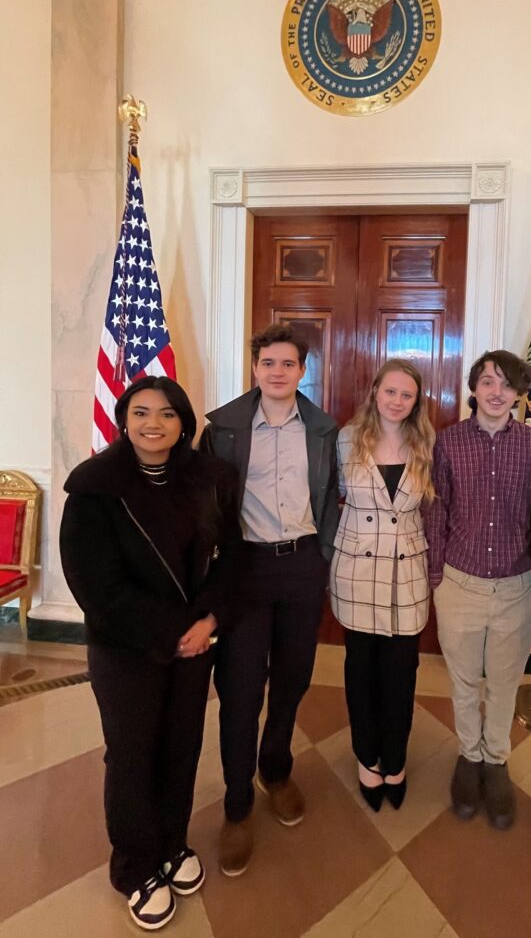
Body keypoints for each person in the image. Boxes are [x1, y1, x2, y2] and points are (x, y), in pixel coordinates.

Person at [59, 377, 241, 931]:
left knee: (182, 747)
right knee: (133, 754)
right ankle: (135, 865)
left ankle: (171, 843)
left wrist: (210, 618)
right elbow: (95, 586)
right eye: (140, 412)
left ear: (184, 422)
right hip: (127, 647)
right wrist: (172, 631)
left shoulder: (211, 478)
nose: (153, 424)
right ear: (123, 418)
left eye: (166, 414)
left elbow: (231, 557)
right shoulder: (94, 486)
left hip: (195, 642)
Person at [199, 323, 339, 877]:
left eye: (288, 364)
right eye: (267, 363)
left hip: (302, 566)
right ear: (254, 369)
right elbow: (204, 502)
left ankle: (275, 769)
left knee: (293, 676)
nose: (277, 372)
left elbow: (332, 496)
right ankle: (237, 804)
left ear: (303, 371)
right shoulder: (223, 429)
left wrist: (324, 554)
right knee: (239, 688)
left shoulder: (324, 430)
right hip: (245, 570)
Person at [424, 350, 531, 829]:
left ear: (519, 394)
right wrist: (437, 577)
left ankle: (496, 761)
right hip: (459, 583)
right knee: (462, 682)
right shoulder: (448, 443)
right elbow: (436, 511)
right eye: (488, 382)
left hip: (518, 587)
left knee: (503, 683)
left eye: (507, 384)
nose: (497, 392)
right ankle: (468, 756)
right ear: (473, 388)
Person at [330, 359, 435, 812]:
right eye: (390, 391)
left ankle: (395, 759)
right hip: (356, 570)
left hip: (407, 573)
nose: (397, 401)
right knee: (361, 671)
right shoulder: (346, 439)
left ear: (416, 402)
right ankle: (366, 759)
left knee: (401, 674)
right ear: (375, 392)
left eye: (406, 395)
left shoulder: (427, 443)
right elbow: (329, 498)